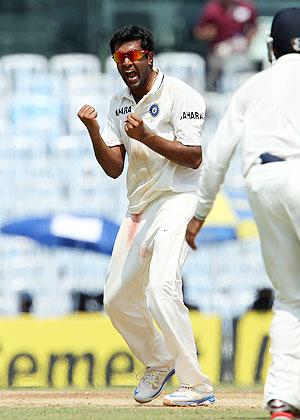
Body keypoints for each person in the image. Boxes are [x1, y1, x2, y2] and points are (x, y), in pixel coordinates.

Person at [77, 25, 215, 407]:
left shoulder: (181, 95)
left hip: (178, 198)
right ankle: (158, 360)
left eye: (134, 56)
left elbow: (195, 156)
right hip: (139, 207)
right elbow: (114, 168)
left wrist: (148, 136)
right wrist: (93, 131)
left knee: (161, 288)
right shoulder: (118, 103)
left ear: (149, 56)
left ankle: (197, 385)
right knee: (116, 299)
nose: (127, 64)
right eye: (120, 58)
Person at [186, 8, 300, 420]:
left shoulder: (254, 86)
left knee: (290, 297)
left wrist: (199, 213)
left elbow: (216, 156)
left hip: (263, 182)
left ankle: (283, 401)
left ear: (272, 48)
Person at [194, 0, 257, 91]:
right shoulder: (212, 9)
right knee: (213, 79)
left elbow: (254, 28)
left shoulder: (246, 7)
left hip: (239, 53)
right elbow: (198, 32)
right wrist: (209, 33)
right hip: (218, 53)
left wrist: (246, 40)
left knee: (245, 76)